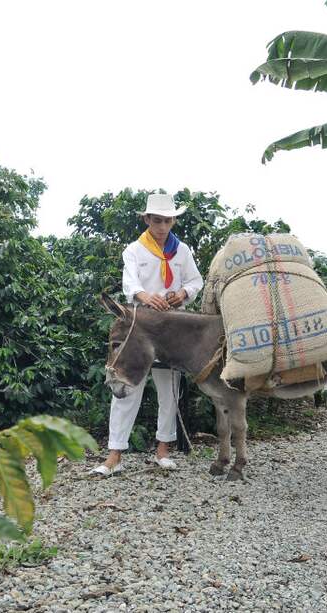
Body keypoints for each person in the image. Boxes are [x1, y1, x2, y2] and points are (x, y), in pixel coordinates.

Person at [90, 193, 203, 476]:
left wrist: (182, 294)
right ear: (146, 219)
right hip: (140, 325)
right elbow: (130, 283)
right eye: (156, 220)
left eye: (167, 220)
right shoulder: (135, 250)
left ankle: (163, 449)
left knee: (169, 389)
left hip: (171, 327)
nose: (162, 226)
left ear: (173, 220)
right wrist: (145, 296)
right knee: (127, 387)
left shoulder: (183, 251)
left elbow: (195, 281)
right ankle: (115, 454)